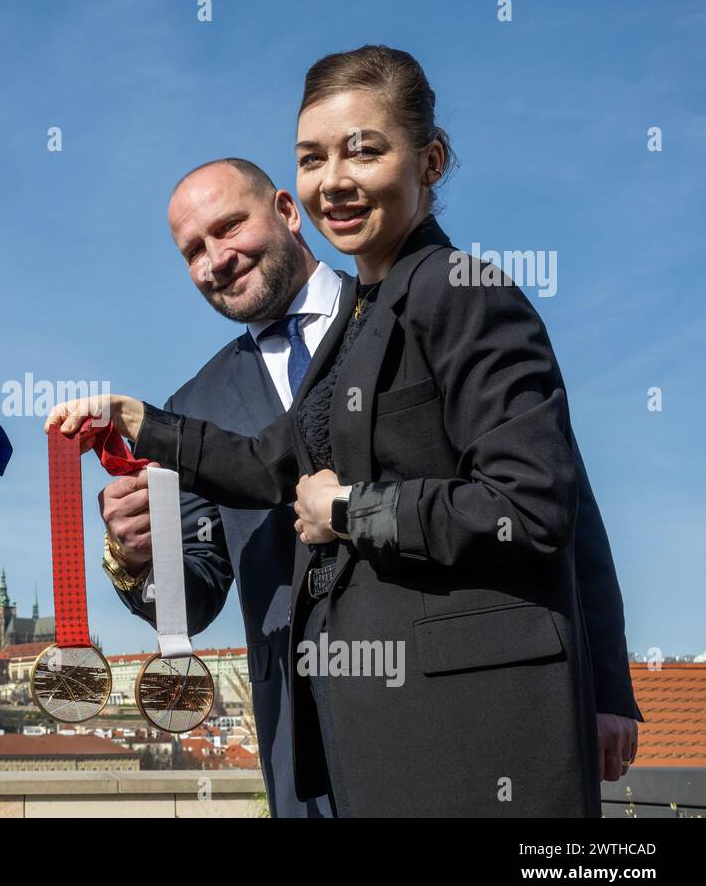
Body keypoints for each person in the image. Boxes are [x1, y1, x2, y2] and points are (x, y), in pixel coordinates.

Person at [51, 46, 637, 817]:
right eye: (313, 157)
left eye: (364, 149)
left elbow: (547, 506)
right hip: (329, 737)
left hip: (470, 722)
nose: (215, 260)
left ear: (429, 160)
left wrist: (607, 686)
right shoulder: (343, 333)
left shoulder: (459, 294)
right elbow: (261, 481)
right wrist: (143, 444)